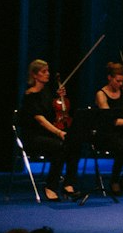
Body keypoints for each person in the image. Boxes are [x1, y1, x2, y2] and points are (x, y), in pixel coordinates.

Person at [18, 59, 78, 201]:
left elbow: (55, 111)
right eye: (43, 71)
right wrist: (58, 132)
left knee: (74, 143)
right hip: (34, 136)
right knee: (60, 146)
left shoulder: (47, 93)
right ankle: (51, 186)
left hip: (49, 134)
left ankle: (69, 184)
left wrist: (60, 97)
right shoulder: (29, 96)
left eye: (48, 71)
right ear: (34, 75)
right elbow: (40, 119)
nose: (48, 74)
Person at [94, 61, 123, 195]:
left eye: (122, 81)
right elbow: (111, 121)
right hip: (107, 133)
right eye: (118, 81)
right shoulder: (101, 94)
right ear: (110, 78)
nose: (120, 84)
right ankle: (114, 180)